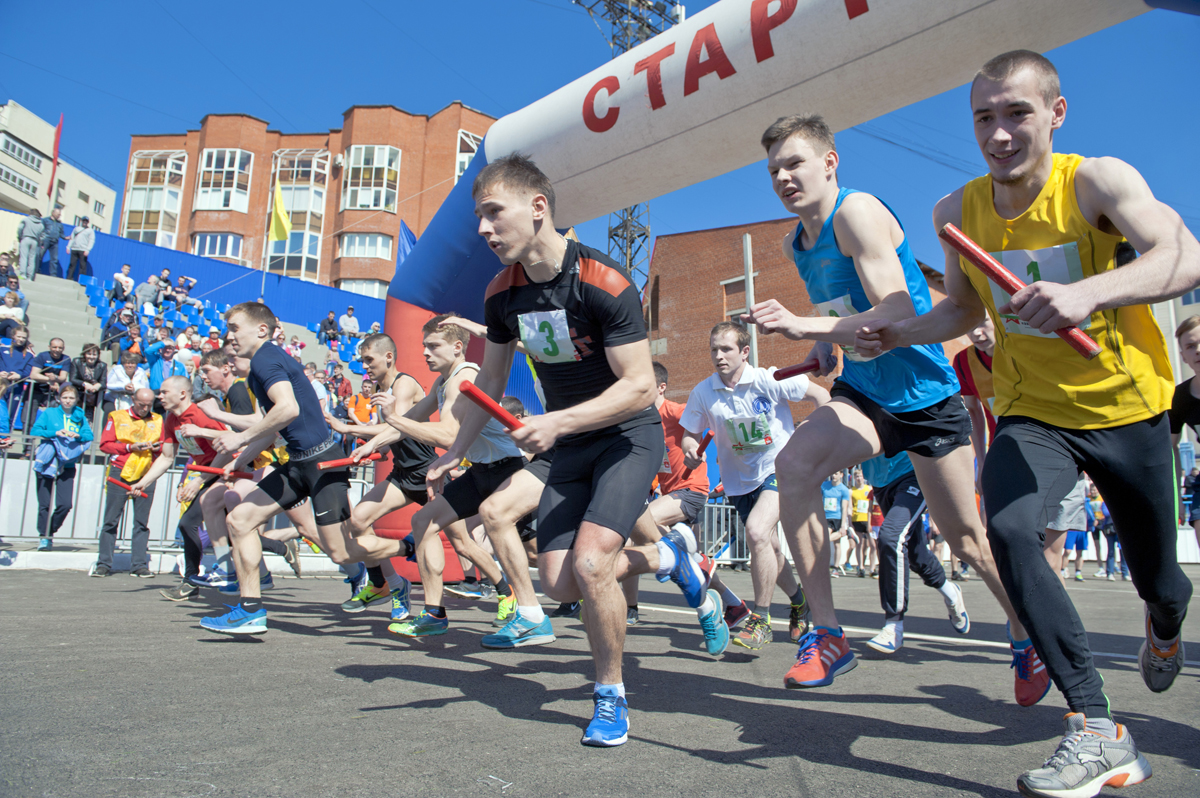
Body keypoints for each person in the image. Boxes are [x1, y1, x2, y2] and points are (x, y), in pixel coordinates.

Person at [855, 50, 1197, 797]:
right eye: (985, 117)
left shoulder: (1098, 181)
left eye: (1017, 113)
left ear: (1055, 113)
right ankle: (1097, 727)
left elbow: (1183, 256)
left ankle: (1165, 621)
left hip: (1127, 407)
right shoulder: (955, 213)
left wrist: (1091, 295)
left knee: (1162, 582)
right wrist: (898, 333)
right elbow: (963, 312)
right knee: (1009, 532)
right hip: (1032, 410)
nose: (1000, 133)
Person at [427, 154, 722, 746]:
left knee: (591, 566)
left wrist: (556, 422)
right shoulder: (500, 295)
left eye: (493, 213)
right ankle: (671, 561)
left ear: (539, 208)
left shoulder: (605, 281)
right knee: (561, 582)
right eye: (477, 217)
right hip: (570, 444)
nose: (483, 229)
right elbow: (486, 385)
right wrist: (456, 450)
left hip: (626, 437)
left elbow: (639, 385)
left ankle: (610, 696)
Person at [750, 113, 1039, 701]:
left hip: (925, 395)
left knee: (966, 541)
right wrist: (823, 341)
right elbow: (845, 307)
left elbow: (895, 307)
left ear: (830, 163)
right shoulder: (794, 241)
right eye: (774, 169)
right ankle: (828, 634)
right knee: (794, 466)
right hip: (865, 392)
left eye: (795, 163)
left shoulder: (856, 213)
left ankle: (1027, 633)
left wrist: (801, 323)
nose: (783, 177)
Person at [377, 316, 542, 641]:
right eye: (424, 345)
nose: (425, 352)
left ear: (456, 347)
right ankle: (434, 613)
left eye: (433, 345)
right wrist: (370, 439)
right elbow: (412, 419)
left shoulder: (463, 378)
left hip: (507, 471)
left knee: (542, 556)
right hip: (480, 472)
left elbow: (450, 434)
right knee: (424, 521)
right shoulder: (443, 381)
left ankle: (566, 589)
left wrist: (394, 419)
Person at [199, 302, 360, 634]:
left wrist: (238, 438)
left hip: (323, 462)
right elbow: (274, 427)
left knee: (340, 549)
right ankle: (250, 610)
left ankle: (398, 560)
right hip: (297, 464)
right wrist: (240, 459)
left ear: (261, 330)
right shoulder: (261, 366)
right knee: (240, 521)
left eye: (233, 328)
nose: (229, 337)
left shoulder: (266, 358)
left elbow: (287, 409)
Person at [680, 323, 825, 650]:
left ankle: (760, 618)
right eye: (714, 349)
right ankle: (799, 601)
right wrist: (690, 449)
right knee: (769, 547)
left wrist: (818, 435)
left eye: (727, 349)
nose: (719, 356)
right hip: (738, 482)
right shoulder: (704, 392)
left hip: (780, 469)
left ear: (745, 352)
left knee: (758, 532)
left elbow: (820, 395)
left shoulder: (768, 379)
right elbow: (689, 433)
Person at [322, 333, 437, 622]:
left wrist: (349, 430)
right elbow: (388, 436)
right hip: (402, 475)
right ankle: (387, 584)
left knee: (463, 541)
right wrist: (378, 446)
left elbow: (397, 428)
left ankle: (505, 591)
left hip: (428, 473)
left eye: (369, 360)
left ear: (388, 357)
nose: (365, 366)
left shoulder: (405, 384)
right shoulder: (377, 388)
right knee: (358, 521)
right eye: (362, 360)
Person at [128, 376, 237, 590]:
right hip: (207, 474)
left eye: (164, 392)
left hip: (226, 472)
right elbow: (167, 457)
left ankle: (205, 577)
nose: (160, 396)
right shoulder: (171, 419)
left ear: (182, 394)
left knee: (225, 527)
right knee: (207, 526)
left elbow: (228, 447)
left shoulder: (199, 414)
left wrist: (198, 481)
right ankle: (193, 578)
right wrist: (143, 482)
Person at [860, 451, 970, 653]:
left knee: (891, 537)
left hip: (914, 471)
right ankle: (950, 591)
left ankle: (894, 625)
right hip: (881, 480)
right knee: (915, 553)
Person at [94, 388, 161, 577]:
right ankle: (104, 564)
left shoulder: (158, 419)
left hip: (146, 473)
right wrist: (129, 447)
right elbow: (105, 445)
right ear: (133, 400)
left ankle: (139, 565)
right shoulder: (116, 416)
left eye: (149, 405)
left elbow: (165, 446)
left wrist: (156, 448)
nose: (145, 408)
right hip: (120, 471)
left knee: (141, 522)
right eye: (141, 405)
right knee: (111, 519)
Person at [30, 384, 93, 549]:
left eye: (71, 398)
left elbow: (89, 435)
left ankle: (49, 531)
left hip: (68, 464)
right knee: (44, 503)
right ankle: (44, 537)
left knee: (65, 504)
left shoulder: (80, 416)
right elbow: (35, 430)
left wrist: (78, 435)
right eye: (65, 397)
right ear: (59, 398)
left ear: (76, 400)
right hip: (48, 463)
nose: (67, 401)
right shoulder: (50, 413)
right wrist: (54, 433)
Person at [1171, 314, 1200, 556]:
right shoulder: (1180, 397)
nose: (1198, 350)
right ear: (1183, 355)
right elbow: (1171, 447)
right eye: (1191, 346)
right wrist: (1177, 496)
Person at [29, 338, 72, 420]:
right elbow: (34, 375)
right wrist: (50, 380)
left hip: (52, 393)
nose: (57, 350)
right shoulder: (42, 356)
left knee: (54, 416)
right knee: (29, 417)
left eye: (60, 348)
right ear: (49, 347)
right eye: (54, 347)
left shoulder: (66, 359)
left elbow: (63, 377)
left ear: (64, 348)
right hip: (36, 390)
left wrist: (55, 378)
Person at [0, 326, 33, 426]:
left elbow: (28, 372)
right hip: (1, 384)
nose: (21, 339)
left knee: (10, 416)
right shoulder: (2, 349)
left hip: (16, 388)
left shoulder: (29, 355)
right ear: (13, 336)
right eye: (19, 336)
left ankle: (5, 439)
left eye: (23, 337)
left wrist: (19, 376)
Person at [822, 471, 852, 577]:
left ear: (841, 475)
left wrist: (843, 525)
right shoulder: (824, 486)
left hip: (837, 518)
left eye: (836, 474)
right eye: (832, 474)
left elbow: (844, 508)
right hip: (826, 517)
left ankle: (835, 568)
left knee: (837, 544)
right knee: (825, 539)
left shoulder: (844, 489)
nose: (834, 476)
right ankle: (822, 566)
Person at [69, 343, 108, 423]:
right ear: (84, 354)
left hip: (91, 398)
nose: (91, 357)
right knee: (74, 419)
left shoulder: (102, 365)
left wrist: (98, 385)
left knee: (87, 422)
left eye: (94, 354)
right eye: (89, 354)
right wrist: (84, 384)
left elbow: (103, 383)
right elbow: (72, 378)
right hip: (78, 395)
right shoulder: (77, 361)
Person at [848, 469, 875, 577]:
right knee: (859, 544)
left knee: (873, 545)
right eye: (857, 476)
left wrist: (872, 521)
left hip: (868, 520)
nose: (859, 478)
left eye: (861, 476)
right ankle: (861, 567)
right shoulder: (852, 491)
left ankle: (872, 568)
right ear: (854, 478)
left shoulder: (869, 489)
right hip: (857, 519)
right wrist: (850, 523)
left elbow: (871, 507)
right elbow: (850, 507)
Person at [39, 208, 69, 279]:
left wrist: (67, 237)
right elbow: (41, 230)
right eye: (58, 214)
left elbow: (62, 235)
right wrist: (41, 240)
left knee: (54, 259)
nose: (59, 216)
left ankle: (53, 275)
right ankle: (37, 270)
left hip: (55, 242)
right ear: (53, 213)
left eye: (60, 214)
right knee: (40, 256)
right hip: (46, 240)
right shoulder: (45, 220)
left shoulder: (59, 224)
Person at [17, 210, 44, 280]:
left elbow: (20, 229)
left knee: (24, 257)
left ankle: (23, 274)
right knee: (32, 259)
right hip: (34, 241)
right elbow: (43, 236)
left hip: (26, 239)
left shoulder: (26, 220)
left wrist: (19, 237)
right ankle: (30, 277)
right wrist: (39, 241)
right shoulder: (41, 224)